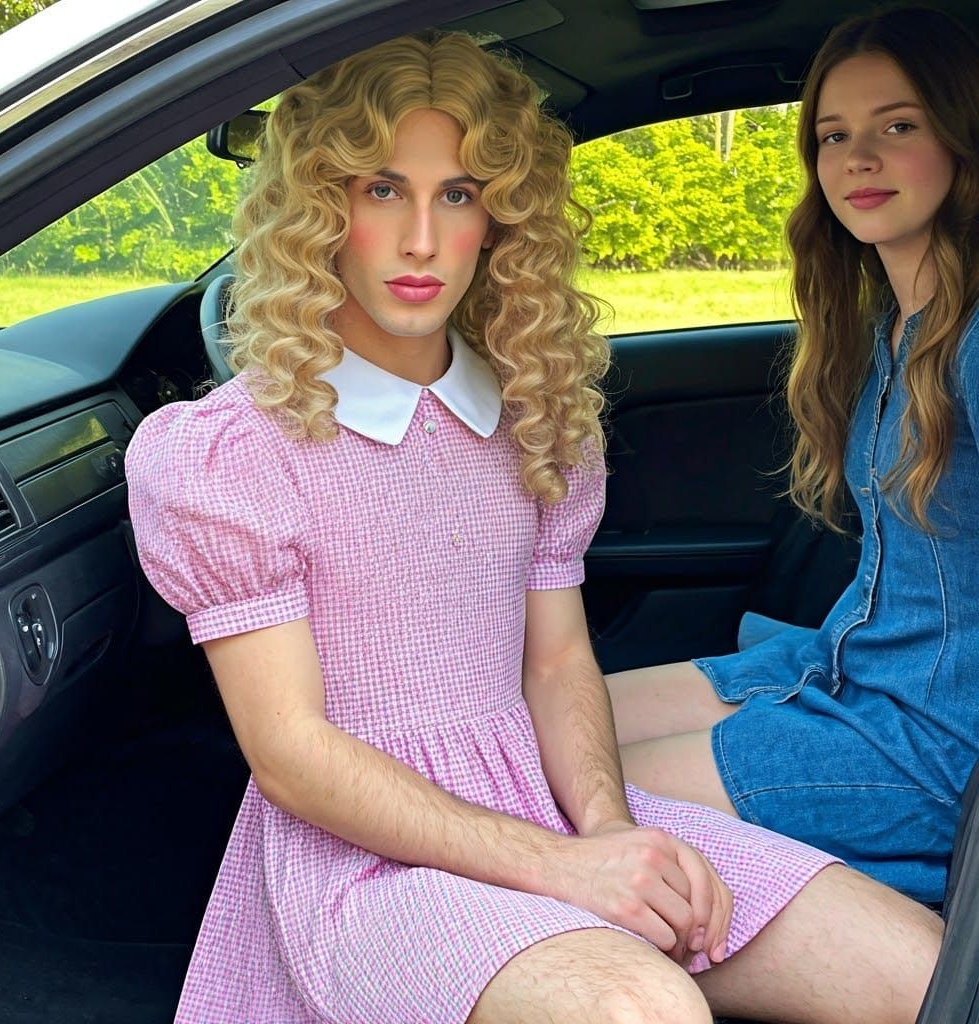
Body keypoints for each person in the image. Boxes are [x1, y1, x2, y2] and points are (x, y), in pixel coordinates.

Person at [125, 29, 941, 1024]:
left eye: (457, 194)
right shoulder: (227, 452)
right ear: (319, 209)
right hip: (364, 868)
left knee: (928, 969)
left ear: (499, 218)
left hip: (543, 803)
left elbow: (555, 667)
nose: (421, 238)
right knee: (636, 1007)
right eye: (381, 189)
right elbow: (291, 751)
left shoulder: (535, 421)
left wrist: (607, 829)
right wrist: (562, 865)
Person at [608, 4, 979, 908]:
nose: (859, 158)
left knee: (579, 803)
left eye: (899, 126)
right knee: (545, 734)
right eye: (834, 134)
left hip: (929, 740)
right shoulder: (899, 328)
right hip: (844, 665)